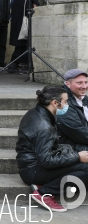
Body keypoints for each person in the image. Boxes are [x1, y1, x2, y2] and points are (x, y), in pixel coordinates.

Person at [16, 85, 88, 213]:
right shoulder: (44, 127)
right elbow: (46, 160)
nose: (67, 105)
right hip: (33, 170)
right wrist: (77, 157)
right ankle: (45, 193)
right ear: (55, 103)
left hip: (31, 165)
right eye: (66, 101)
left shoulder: (38, 112)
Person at [56, 69, 88, 151]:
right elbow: (80, 134)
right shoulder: (63, 103)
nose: (84, 86)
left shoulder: (84, 98)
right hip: (70, 148)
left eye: (86, 82)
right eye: (79, 83)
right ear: (68, 84)